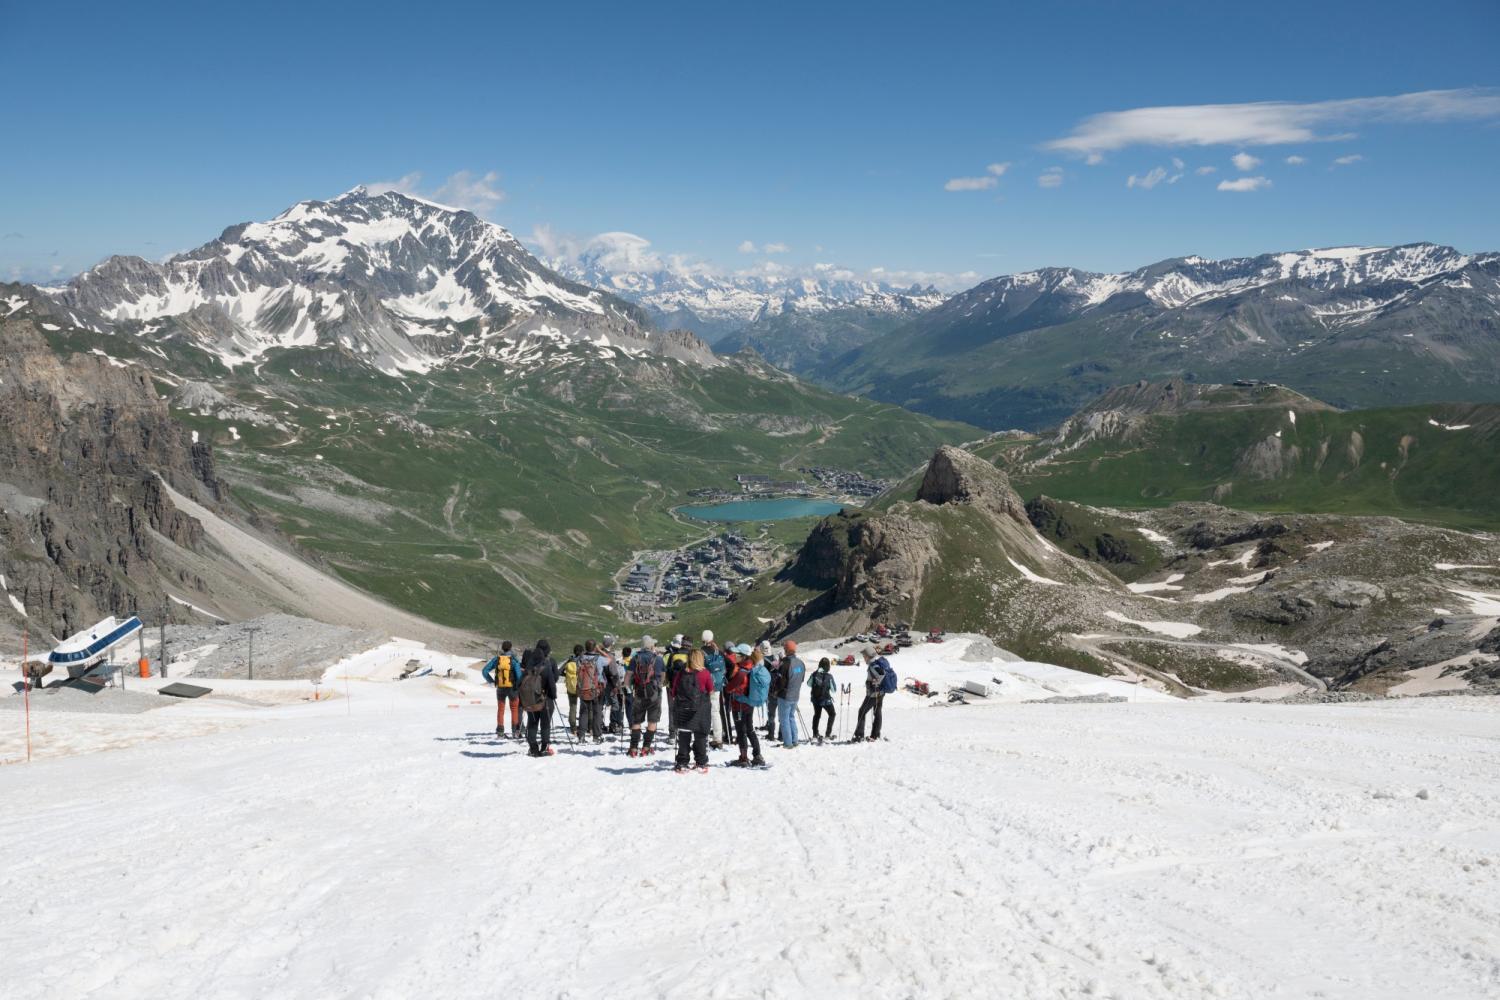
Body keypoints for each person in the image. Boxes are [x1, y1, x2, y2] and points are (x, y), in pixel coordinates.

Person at [671, 648, 715, 773]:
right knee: (700, 735)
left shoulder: (681, 673)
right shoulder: (705, 673)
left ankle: (682, 762)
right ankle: (701, 762)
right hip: (700, 709)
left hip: (683, 708)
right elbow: (711, 690)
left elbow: (673, 691)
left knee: (684, 735)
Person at [728, 646, 768, 768]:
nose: (735, 656)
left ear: (744, 656)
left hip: (739, 705)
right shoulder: (753, 667)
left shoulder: (741, 671)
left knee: (741, 731)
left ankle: (744, 758)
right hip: (749, 703)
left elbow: (729, 688)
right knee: (749, 729)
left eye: (738, 654)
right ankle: (757, 755)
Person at [627, 636, 666, 757]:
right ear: (651, 646)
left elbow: (628, 676)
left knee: (637, 720)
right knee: (652, 720)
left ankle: (633, 748)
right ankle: (646, 747)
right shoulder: (658, 659)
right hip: (654, 693)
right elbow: (663, 676)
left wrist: (627, 688)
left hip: (638, 693)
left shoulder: (635, 658)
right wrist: (660, 685)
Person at [520, 640, 559, 757]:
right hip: (545, 699)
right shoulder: (548, 663)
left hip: (530, 700)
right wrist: (553, 696)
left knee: (532, 723)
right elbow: (553, 681)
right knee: (545, 724)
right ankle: (544, 747)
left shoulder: (529, 664)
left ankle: (533, 748)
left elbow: (520, 683)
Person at [480, 640, 523, 739]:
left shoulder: (497, 659)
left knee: (501, 709)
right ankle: (515, 732)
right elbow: (519, 676)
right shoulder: (513, 660)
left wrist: (491, 681)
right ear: (511, 648)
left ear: (502, 649)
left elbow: (484, 671)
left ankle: (500, 732)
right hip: (512, 688)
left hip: (500, 688)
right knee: (514, 709)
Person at [852, 646, 890, 743]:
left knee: (862, 712)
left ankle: (859, 736)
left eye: (864, 656)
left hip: (873, 694)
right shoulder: (877, 662)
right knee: (877, 713)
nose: (864, 658)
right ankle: (875, 735)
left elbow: (881, 674)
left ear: (868, 656)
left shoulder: (873, 665)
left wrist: (874, 683)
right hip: (881, 693)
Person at [701, 630, 730, 750]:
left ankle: (703, 736)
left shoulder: (701, 652)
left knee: (703, 711)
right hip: (717, 685)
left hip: (705, 685)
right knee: (715, 711)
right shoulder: (719, 652)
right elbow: (727, 666)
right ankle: (718, 738)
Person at [777, 640, 805, 749]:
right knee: (791, 717)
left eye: (785, 649)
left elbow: (780, 681)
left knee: (784, 719)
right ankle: (794, 740)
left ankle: (788, 743)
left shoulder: (785, 663)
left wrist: (776, 691)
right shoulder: (801, 663)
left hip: (785, 695)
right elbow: (802, 679)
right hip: (795, 694)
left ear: (787, 650)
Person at [577, 639, 607, 743]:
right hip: (596, 689)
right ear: (595, 647)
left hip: (584, 688)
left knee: (583, 712)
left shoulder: (580, 658)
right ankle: (596, 736)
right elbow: (610, 659)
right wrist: (600, 650)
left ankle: (581, 736)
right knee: (597, 712)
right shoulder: (599, 658)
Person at [664, 634, 690, 732]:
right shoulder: (689, 655)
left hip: (671, 685)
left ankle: (672, 732)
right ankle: (684, 730)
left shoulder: (669, 655)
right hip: (685, 686)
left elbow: (666, 670)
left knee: (672, 708)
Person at [809, 657, 837, 742]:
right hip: (825, 700)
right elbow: (834, 690)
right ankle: (827, 734)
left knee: (817, 715)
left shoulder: (814, 674)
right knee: (832, 714)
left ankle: (815, 734)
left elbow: (808, 684)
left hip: (815, 699)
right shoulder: (829, 676)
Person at [602, 635, 625, 735]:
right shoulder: (610, 656)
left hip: (600, 683)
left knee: (601, 704)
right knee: (615, 704)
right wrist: (617, 685)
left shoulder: (599, 654)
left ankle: (600, 724)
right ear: (611, 645)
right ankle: (614, 725)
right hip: (610, 684)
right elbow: (614, 673)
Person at [761, 640, 781, 741]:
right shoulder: (774, 657)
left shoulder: (762, 659)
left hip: (767, 687)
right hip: (778, 689)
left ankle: (770, 728)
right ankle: (779, 733)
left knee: (770, 710)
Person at [562, 644, 583, 738]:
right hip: (582, 687)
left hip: (571, 687)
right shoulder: (583, 661)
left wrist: (567, 675)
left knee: (572, 707)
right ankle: (586, 727)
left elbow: (559, 671)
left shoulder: (569, 661)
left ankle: (573, 727)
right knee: (585, 708)